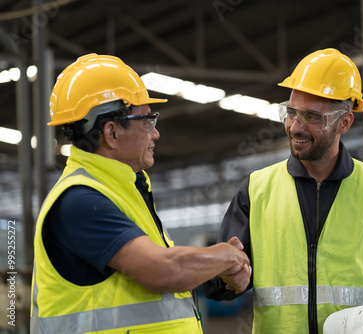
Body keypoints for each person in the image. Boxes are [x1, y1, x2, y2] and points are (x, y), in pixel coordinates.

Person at [203, 48, 363, 333]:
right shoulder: (255, 190)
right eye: (290, 113)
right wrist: (227, 279)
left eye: (312, 117)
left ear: (344, 123)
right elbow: (220, 281)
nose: (295, 127)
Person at [30, 53, 251, 334]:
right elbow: (164, 271)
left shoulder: (124, 191)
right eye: (147, 121)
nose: (155, 134)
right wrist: (226, 255)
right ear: (111, 133)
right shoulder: (80, 201)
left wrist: (220, 274)